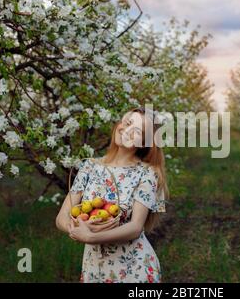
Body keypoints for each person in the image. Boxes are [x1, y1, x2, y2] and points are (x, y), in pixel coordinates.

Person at [56, 107, 168, 283]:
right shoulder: (89, 166)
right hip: (94, 268)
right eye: (128, 122)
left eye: (137, 131)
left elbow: (135, 227)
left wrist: (91, 237)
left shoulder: (147, 173)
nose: (127, 130)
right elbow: (62, 216)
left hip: (134, 269)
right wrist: (76, 229)